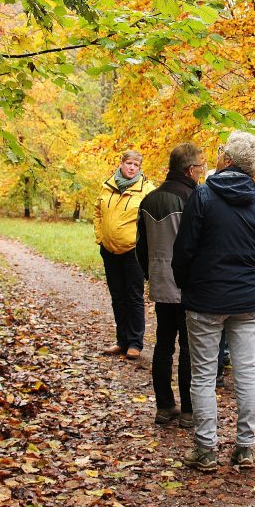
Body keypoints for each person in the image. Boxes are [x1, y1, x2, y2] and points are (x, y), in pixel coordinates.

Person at [172, 131, 255, 472]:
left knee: (203, 375)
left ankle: (206, 450)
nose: (216, 155)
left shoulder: (203, 196)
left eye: (220, 152)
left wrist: (187, 285)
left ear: (228, 161)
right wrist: (249, 281)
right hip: (247, 301)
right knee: (247, 372)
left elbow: (184, 249)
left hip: (205, 299)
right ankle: (245, 448)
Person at [136, 143, 206, 427]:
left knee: (163, 344)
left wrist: (151, 274)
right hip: (189, 284)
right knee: (189, 347)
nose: (202, 171)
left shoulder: (149, 199)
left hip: (161, 283)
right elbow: (200, 245)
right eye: (200, 167)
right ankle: (189, 411)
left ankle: (164, 406)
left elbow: (140, 247)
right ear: (190, 170)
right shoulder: (196, 198)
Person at [94, 150, 155, 360]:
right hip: (109, 250)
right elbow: (97, 211)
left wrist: (143, 244)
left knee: (134, 296)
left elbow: (152, 220)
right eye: (128, 163)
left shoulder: (146, 190)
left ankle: (135, 343)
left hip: (133, 252)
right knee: (117, 296)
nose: (131, 168)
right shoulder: (108, 186)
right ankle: (122, 340)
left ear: (140, 168)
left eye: (136, 165)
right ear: (121, 164)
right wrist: (100, 237)